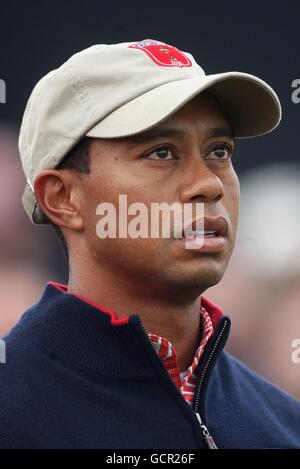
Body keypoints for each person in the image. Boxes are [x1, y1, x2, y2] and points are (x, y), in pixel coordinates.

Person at [0, 39, 299, 449]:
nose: (209, 183)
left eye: (219, 150)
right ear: (63, 199)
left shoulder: (286, 424)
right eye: (161, 152)